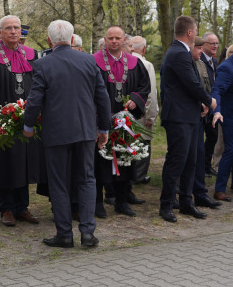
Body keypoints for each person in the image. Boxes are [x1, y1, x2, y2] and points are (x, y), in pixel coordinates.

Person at [23, 20, 110, 248]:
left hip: (56, 133)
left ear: (49, 41)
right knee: (87, 180)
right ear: (72, 40)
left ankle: (64, 234)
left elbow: (34, 101)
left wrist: (28, 126)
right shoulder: (89, 61)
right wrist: (103, 129)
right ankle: (88, 233)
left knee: (59, 183)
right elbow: (102, 97)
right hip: (84, 130)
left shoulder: (43, 65)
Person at [0, 14, 41, 227]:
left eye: (17, 28)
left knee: (24, 163)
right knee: (5, 164)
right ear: (1, 33)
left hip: (27, 120)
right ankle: (6, 208)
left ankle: (22, 207)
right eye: (9, 28)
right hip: (1, 121)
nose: (14, 31)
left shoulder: (32, 55)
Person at [159, 15, 215, 222]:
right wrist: (209, 101)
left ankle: (186, 202)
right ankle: (166, 205)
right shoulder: (177, 53)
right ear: (190, 32)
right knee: (176, 161)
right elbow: (192, 83)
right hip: (178, 118)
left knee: (191, 161)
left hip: (190, 116)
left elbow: (184, 86)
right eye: (196, 30)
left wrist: (199, 103)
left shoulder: (183, 52)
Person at [94, 26, 150, 217]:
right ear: (105, 39)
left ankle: (122, 201)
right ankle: (97, 203)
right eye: (111, 38)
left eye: (118, 38)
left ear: (124, 40)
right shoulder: (94, 61)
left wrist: (135, 98)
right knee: (99, 162)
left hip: (126, 120)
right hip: (102, 120)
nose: (114, 41)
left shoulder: (134, 62)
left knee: (125, 161)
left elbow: (145, 85)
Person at [191, 38, 220, 209]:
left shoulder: (201, 64)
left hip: (202, 114)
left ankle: (200, 193)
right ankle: (182, 192)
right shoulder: (186, 63)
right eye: (198, 48)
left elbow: (206, 85)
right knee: (187, 156)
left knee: (200, 155)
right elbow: (192, 87)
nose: (200, 52)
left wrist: (208, 104)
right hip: (187, 116)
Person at [130, 36, 158, 184]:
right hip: (142, 112)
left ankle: (128, 174)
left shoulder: (125, 62)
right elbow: (150, 94)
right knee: (143, 143)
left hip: (127, 109)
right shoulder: (146, 65)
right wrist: (151, 116)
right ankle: (139, 176)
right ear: (144, 49)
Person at [211, 44, 233, 203]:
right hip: (229, 116)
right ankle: (219, 189)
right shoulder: (227, 68)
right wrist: (217, 110)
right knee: (230, 150)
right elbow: (217, 90)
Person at [200, 31, 220, 175]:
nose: (215, 46)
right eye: (211, 43)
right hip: (201, 104)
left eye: (217, 43)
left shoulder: (214, 61)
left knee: (213, 135)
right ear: (204, 44)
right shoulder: (198, 59)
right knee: (200, 138)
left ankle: (207, 165)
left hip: (213, 104)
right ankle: (200, 166)